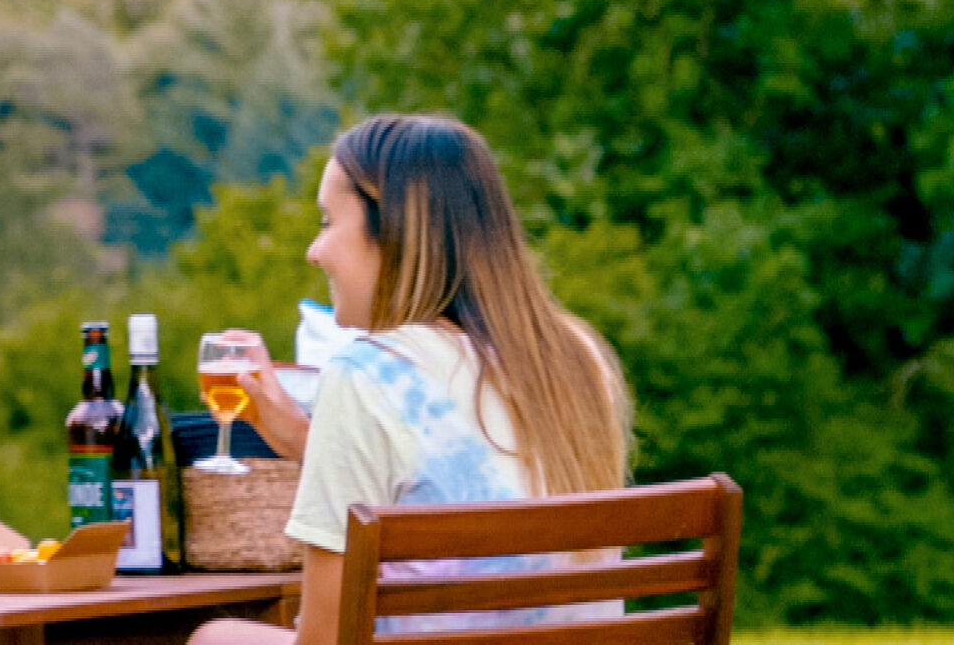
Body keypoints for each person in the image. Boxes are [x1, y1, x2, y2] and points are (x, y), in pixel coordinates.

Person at [193, 114, 632, 645]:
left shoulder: (366, 373)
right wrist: (298, 436)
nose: (315, 250)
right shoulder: (577, 356)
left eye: (328, 222)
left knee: (215, 638)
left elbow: (326, 640)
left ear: (393, 232)